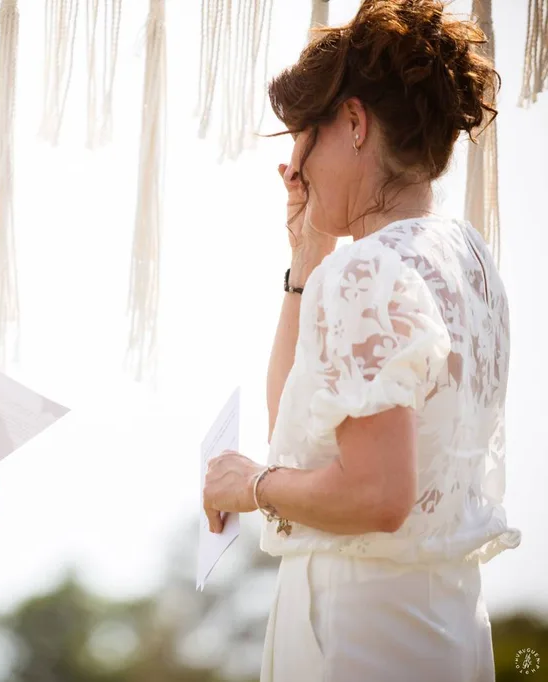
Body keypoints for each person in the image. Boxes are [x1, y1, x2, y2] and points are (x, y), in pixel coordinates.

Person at [201, 1, 520, 680]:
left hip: (358, 634)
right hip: (445, 621)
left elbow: (377, 493)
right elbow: (300, 430)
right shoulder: (468, 258)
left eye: (303, 136)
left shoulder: (368, 270)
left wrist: (253, 486)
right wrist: (307, 257)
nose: (295, 166)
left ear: (352, 122)